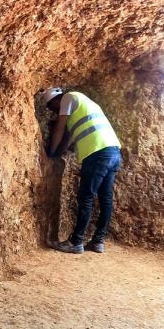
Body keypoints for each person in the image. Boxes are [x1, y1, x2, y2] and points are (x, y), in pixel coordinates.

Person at [38, 87, 122, 254]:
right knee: (106, 198)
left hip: (96, 153)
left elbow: (59, 130)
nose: (55, 112)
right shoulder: (84, 105)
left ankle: (76, 242)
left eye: (52, 108)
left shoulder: (69, 97)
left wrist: (49, 152)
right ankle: (98, 241)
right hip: (113, 152)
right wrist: (57, 153)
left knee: (86, 198)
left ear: (56, 100)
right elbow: (68, 137)